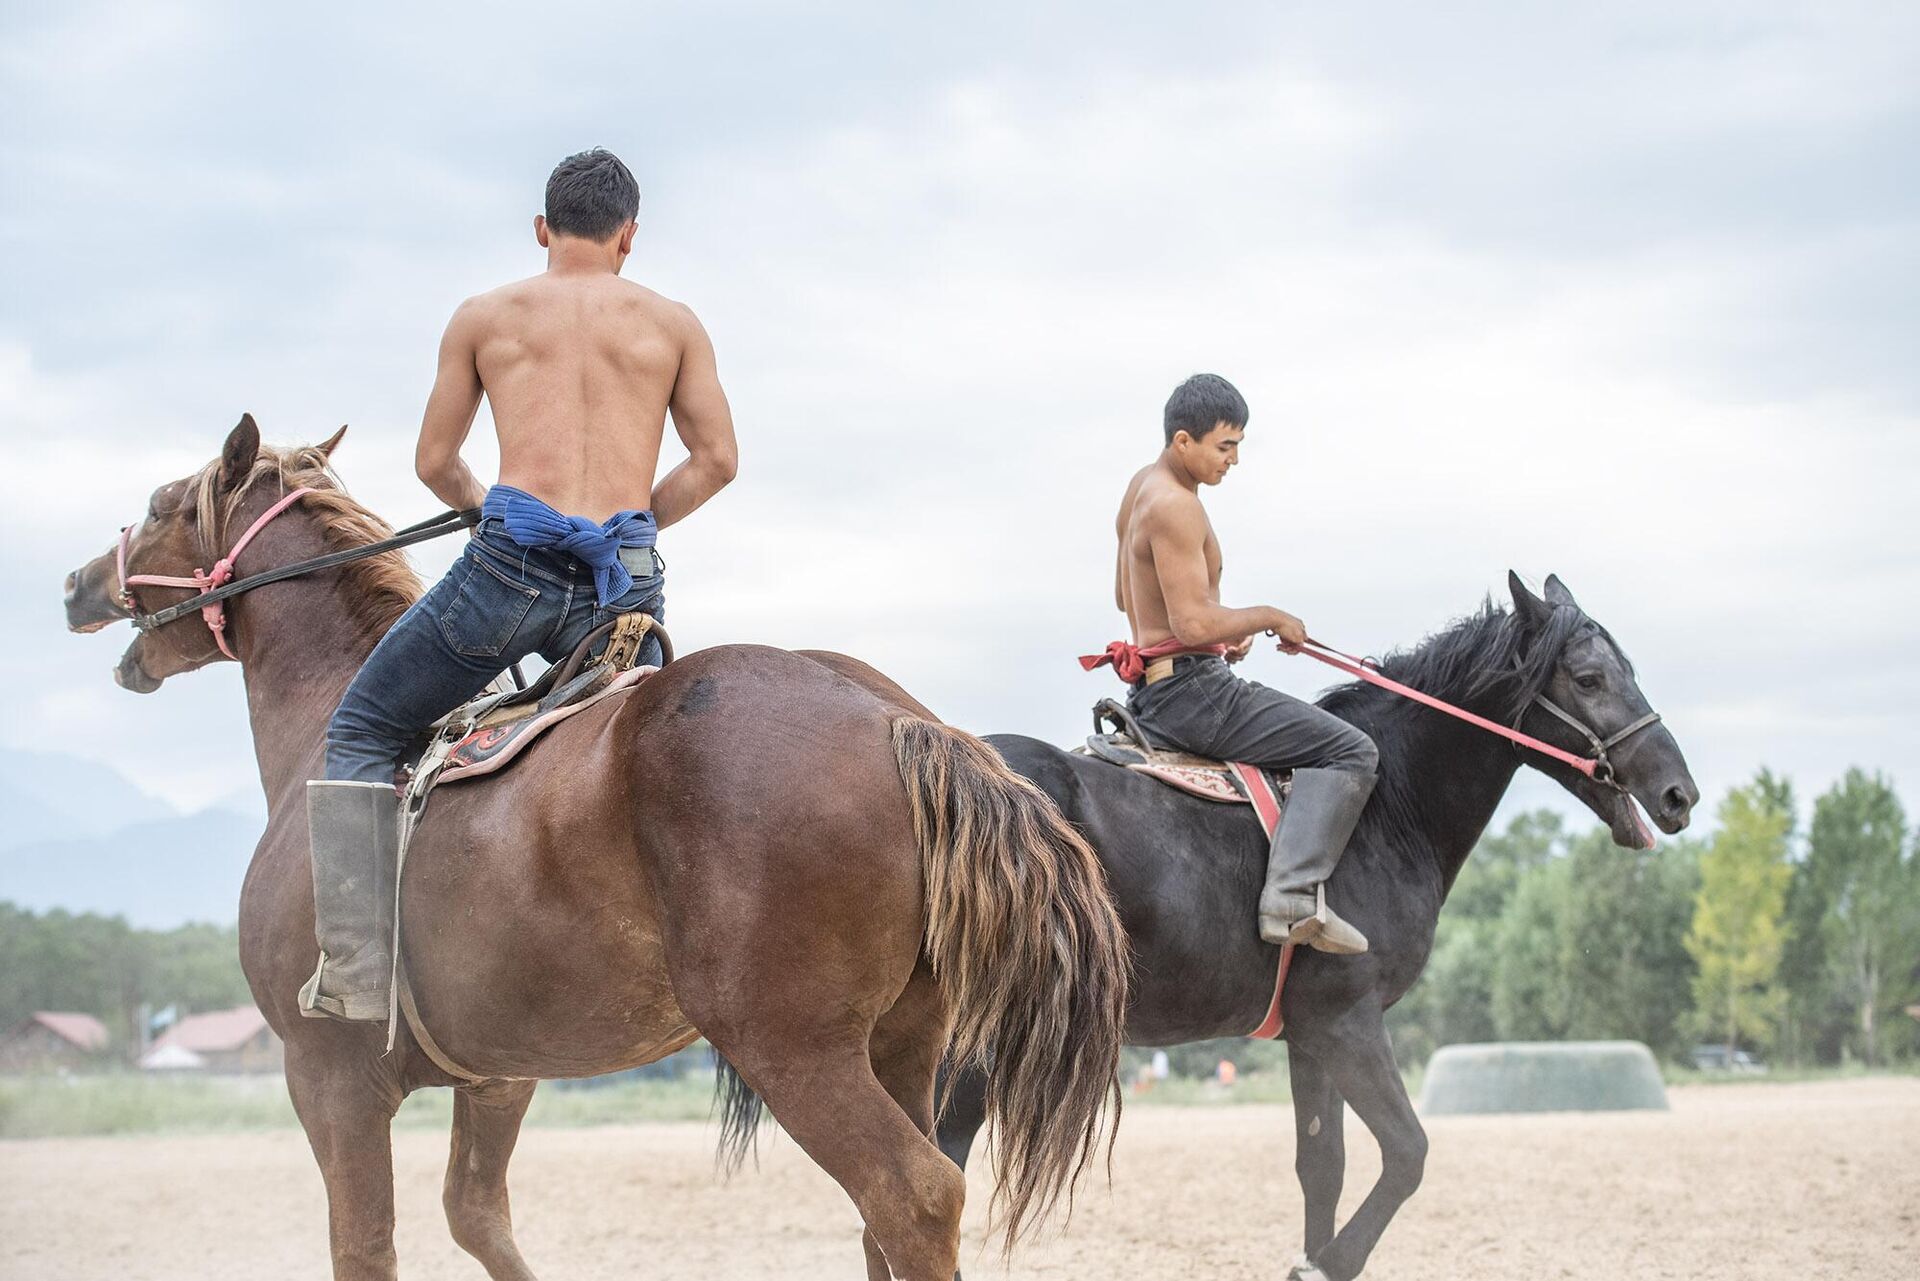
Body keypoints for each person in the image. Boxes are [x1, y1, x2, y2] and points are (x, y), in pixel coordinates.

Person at [301, 148, 739, 1021]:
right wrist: (624, 527)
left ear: (543, 230)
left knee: (362, 725)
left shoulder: (484, 316)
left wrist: (492, 513)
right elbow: (719, 461)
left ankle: (357, 971)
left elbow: (434, 462)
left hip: (506, 575)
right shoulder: (675, 324)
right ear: (629, 238)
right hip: (622, 589)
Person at [1087, 373, 1377, 954]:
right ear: (1183, 441)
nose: (1234, 460)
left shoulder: (1142, 487)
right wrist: (1266, 617)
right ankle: (1292, 896)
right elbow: (1192, 624)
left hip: (1161, 683)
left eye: (1238, 446)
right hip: (1194, 694)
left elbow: (1132, 603)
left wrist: (1220, 637)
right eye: (1225, 446)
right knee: (1353, 750)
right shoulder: (1177, 506)